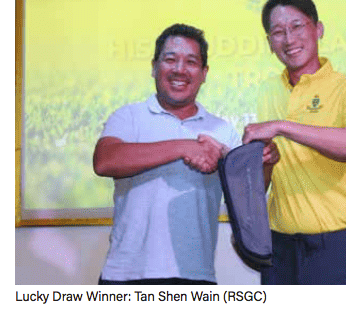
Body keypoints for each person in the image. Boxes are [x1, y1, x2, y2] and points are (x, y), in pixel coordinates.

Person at [243, 0, 346, 284]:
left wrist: (282, 126)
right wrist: (266, 162)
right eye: (278, 32)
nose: (289, 39)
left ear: (318, 29)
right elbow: (262, 184)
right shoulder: (267, 91)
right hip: (279, 250)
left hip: (337, 248)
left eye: (297, 26)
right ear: (269, 42)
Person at [92, 24, 245, 284]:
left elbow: (245, 196)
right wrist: (185, 146)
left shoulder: (223, 130)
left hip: (195, 276)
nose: (179, 70)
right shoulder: (129, 116)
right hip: (126, 275)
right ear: (154, 67)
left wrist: (235, 157)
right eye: (170, 60)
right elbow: (105, 161)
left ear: (204, 73)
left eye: (191, 62)